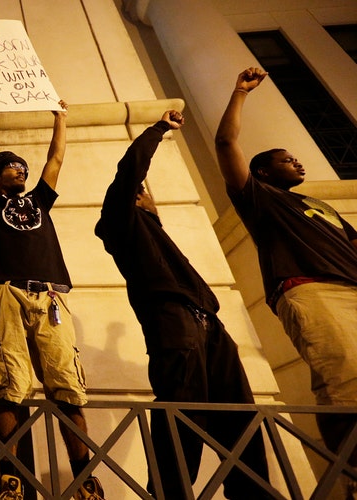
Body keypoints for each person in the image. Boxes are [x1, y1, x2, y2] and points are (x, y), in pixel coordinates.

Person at [95, 110, 273, 498]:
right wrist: (159, 129)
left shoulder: (156, 234)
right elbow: (129, 171)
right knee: (183, 409)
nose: (150, 194)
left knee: (239, 413)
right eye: (144, 190)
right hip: (173, 319)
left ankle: (253, 492)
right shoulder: (123, 225)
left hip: (209, 323)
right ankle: (169, 493)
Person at [0, 93, 103, 500]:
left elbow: (56, 159)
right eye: (10, 167)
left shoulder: (38, 199)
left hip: (50, 295)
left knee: (66, 382)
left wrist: (60, 117)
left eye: (21, 167)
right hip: (7, 292)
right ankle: (11, 478)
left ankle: (85, 480)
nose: (19, 170)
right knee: (9, 383)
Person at [215, 67, 357, 495]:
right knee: (346, 386)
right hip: (313, 291)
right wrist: (239, 93)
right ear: (263, 173)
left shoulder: (321, 207)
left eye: (295, 157)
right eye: (284, 159)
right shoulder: (260, 200)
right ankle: (350, 480)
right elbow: (226, 143)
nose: (296, 161)